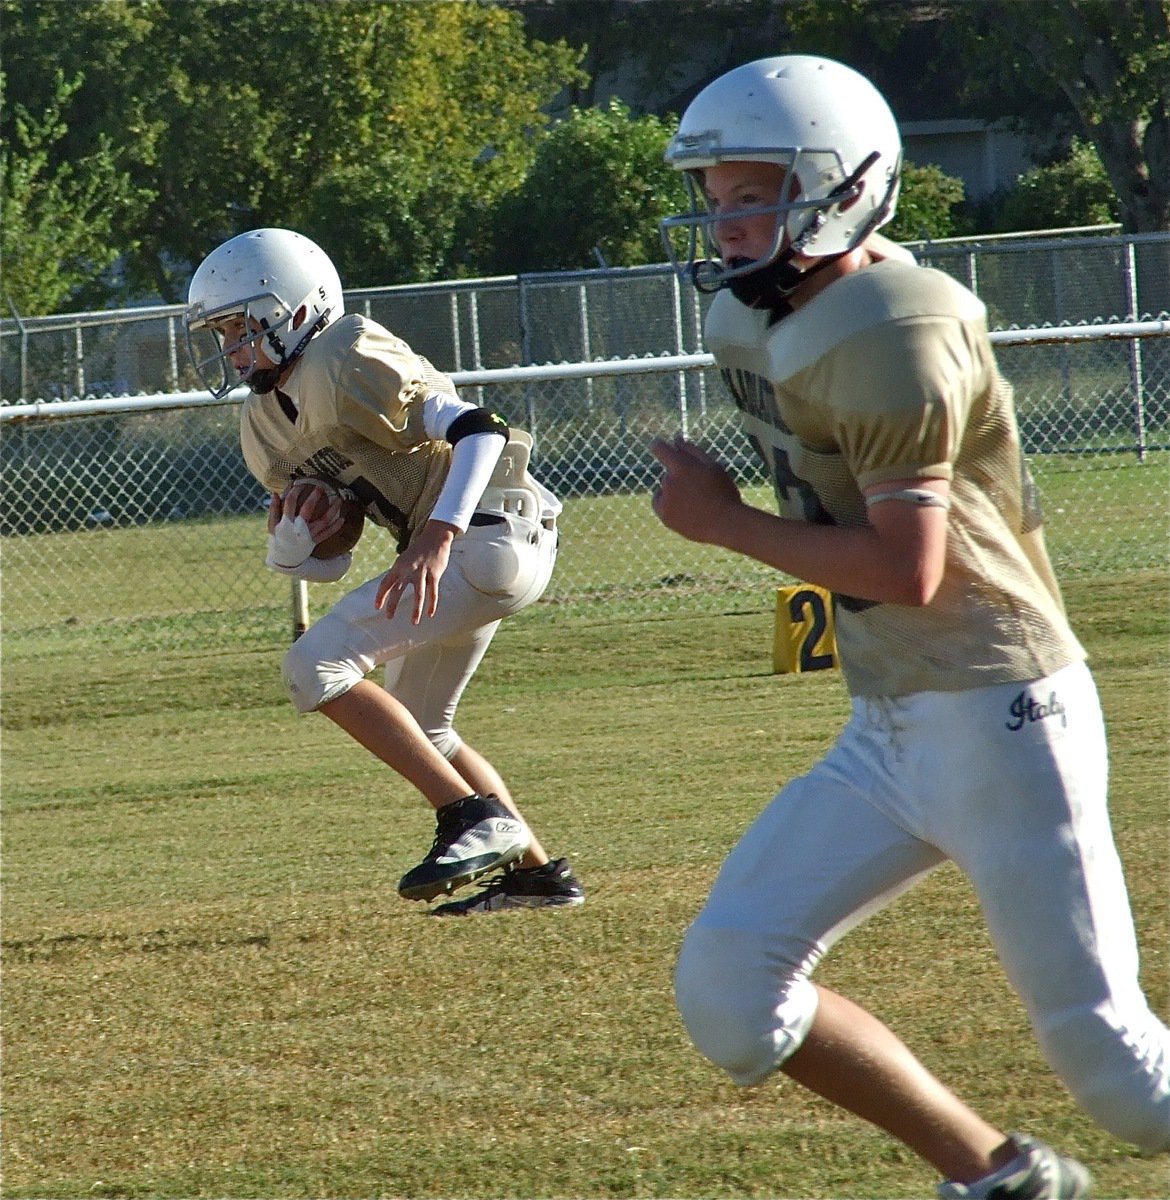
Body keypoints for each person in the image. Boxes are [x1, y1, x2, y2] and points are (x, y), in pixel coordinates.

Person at [651, 54, 1169, 1198]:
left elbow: (909, 569)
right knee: (735, 995)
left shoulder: (896, 321)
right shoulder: (768, 314)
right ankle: (1001, 1178)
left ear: (844, 185)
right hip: (893, 719)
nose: (730, 222)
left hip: (1001, 714)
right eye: (719, 195)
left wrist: (721, 525)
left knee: (1127, 1080)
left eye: (756, 192)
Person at [185, 228, 583, 916]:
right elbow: (327, 562)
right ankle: (537, 878)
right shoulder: (264, 422)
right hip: (467, 553)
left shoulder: (345, 354)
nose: (231, 348)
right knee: (424, 725)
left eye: (240, 327)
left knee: (313, 667)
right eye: (221, 333)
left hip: (484, 536)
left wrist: (437, 535)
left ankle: (469, 817)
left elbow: (481, 427)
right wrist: (295, 537)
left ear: (295, 311)